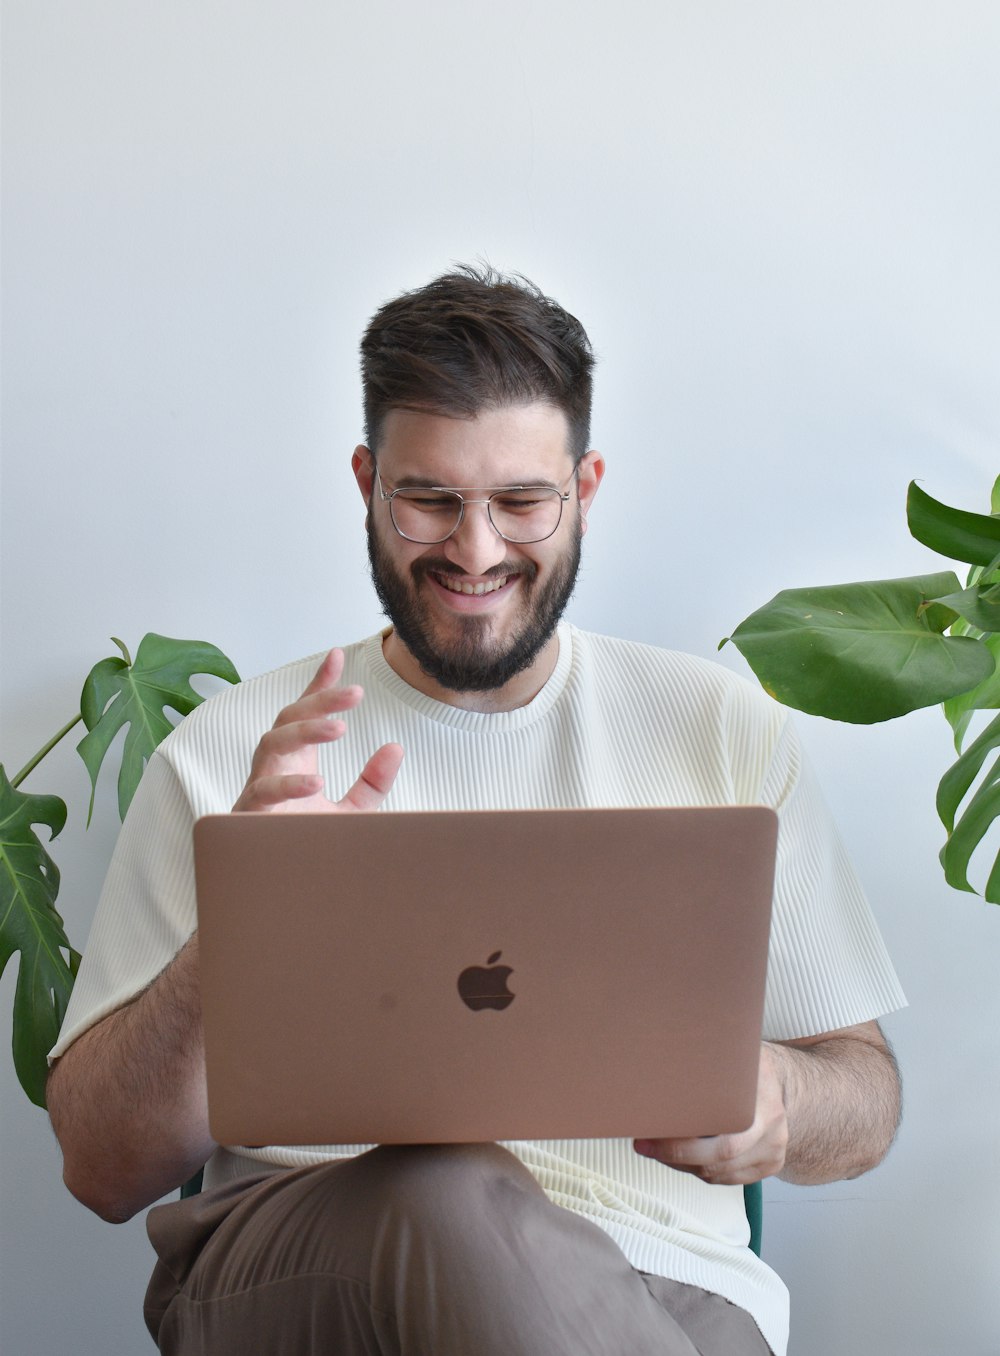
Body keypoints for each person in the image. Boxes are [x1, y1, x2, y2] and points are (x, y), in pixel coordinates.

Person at [47, 265, 905, 1356]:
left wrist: (783, 1097)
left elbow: (864, 1095)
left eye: (519, 501)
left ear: (584, 488)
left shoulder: (719, 730)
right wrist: (244, 927)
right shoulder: (228, 756)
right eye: (431, 499)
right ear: (366, 483)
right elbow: (101, 1170)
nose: (477, 549)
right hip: (307, 1263)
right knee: (446, 1192)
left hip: (661, 1286)